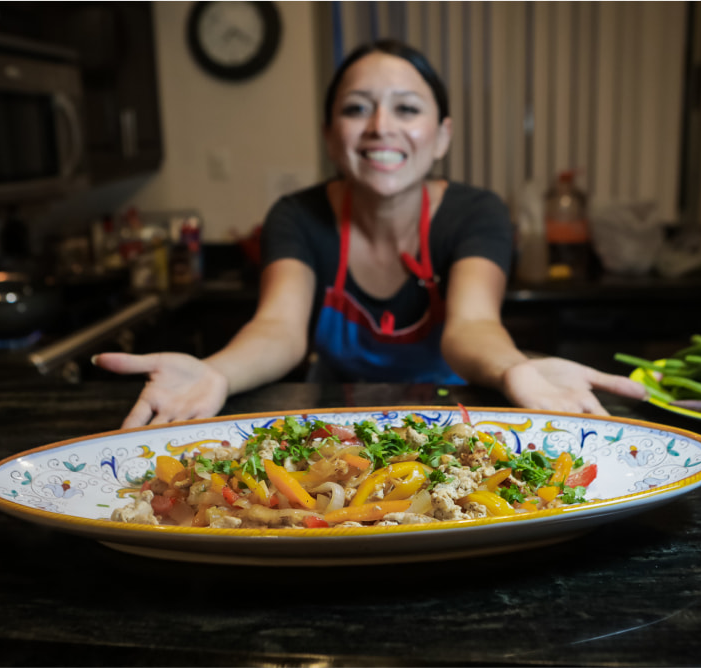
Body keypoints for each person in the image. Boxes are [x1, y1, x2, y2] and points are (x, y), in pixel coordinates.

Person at [94, 39, 646, 428]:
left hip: (456, 415)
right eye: (357, 109)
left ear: (441, 136)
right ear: (330, 136)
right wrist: (215, 373)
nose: (381, 127)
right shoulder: (297, 215)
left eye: (407, 108)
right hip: (337, 420)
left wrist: (513, 370)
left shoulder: (476, 213)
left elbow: (473, 325)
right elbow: (279, 329)